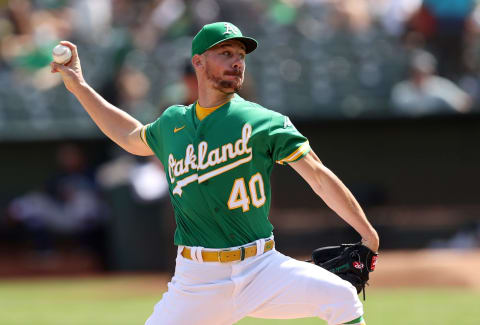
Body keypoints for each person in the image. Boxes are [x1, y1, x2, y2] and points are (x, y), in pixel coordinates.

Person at [51, 22, 379, 325]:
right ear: (198, 62)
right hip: (197, 280)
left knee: (341, 297)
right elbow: (129, 137)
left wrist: (367, 232)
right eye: (225, 53)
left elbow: (319, 177)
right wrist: (79, 86)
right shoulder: (173, 123)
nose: (236, 61)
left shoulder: (265, 122)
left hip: (261, 267)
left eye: (240, 55)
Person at [390, 49, 472, 116]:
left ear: (432, 71)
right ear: (411, 71)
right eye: (417, 71)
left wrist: (445, 102)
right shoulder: (401, 90)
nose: (420, 75)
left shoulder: (442, 85)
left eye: (424, 72)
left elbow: (465, 102)